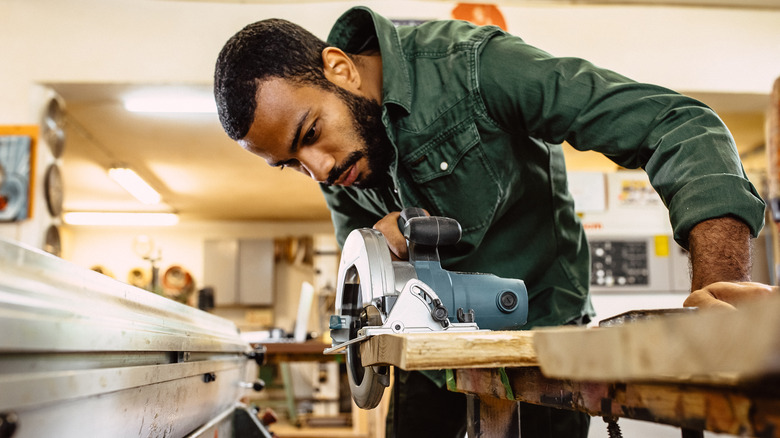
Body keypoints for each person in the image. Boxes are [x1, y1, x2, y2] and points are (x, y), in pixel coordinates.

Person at [214, 6, 768, 437]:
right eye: (292, 164)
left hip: (543, 344)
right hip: (429, 356)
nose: (320, 170)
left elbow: (678, 126)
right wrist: (378, 248)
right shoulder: (341, 168)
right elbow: (366, 286)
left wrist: (718, 293)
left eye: (310, 134)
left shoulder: (475, 68)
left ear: (339, 69)